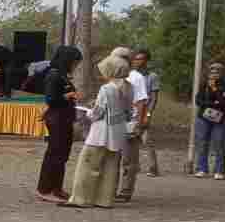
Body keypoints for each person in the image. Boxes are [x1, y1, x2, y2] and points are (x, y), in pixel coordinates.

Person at [61, 53, 131, 209]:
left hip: (101, 132)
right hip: (118, 131)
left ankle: (81, 198)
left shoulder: (107, 89)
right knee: (111, 167)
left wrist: (89, 113)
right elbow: (128, 112)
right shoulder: (128, 87)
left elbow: (98, 112)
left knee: (88, 165)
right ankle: (104, 199)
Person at [36, 45, 82, 202]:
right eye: (74, 62)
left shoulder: (63, 76)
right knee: (54, 154)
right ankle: (44, 189)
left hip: (65, 118)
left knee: (62, 155)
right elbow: (50, 98)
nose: (75, 66)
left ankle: (57, 188)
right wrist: (67, 96)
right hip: (57, 120)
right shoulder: (53, 75)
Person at [116, 47, 150, 203]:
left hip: (130, 121)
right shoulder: (114, 76)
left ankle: (126, 191)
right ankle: (109, 188)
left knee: (129, 159)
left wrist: (139, 122)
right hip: (114, 121)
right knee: (112, 158)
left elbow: (142, 101)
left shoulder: (136, 77)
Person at [193, 60, 225, 180]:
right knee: (202, 143)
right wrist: (213, 103)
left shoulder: (224, 85)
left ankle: (220, 171)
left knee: (219, 143)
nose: (214, 73)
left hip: (220, 119)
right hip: (204, 118)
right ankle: (202, 169)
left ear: (222, 73)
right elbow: (198, 100)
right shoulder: (204, 84)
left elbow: (224, 103)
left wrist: (215, 89)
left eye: (217, 71)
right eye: (212, 71)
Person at [131, 49, 161, 178]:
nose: (138, 61)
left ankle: (153, 167)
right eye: (136, 59)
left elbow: (154, 98)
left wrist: (148, 115)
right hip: (131, 111)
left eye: (141, 59)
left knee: (147, 139)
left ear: (146, 61)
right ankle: (134, 166)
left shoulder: (152, 76)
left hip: (144, 111)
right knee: (132, 139)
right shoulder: (131, 75)